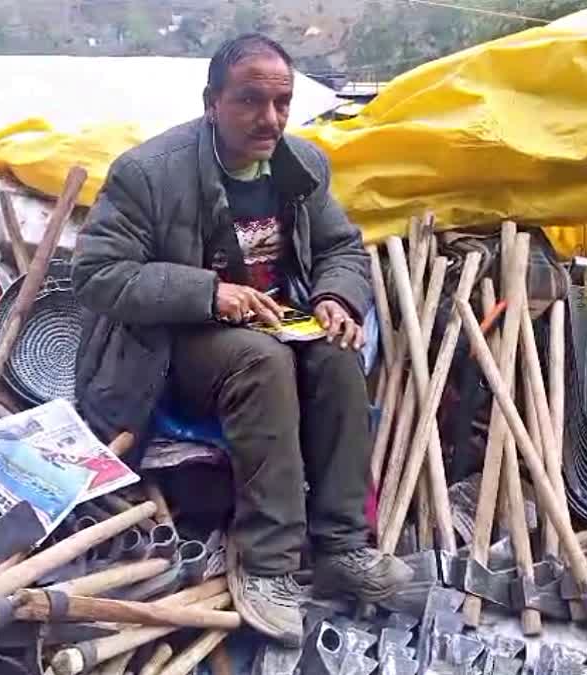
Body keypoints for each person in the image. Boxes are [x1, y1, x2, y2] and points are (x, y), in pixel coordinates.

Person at [72, 34, 409, 645]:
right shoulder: (148, 173)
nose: (270, 118)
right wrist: (208, 293)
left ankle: (339, 546)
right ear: (212, 102)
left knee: (337, 356)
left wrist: (335, 297)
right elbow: (97, 276)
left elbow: (341, 248)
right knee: (263, 361)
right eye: (250, 101)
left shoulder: (299, 167)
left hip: (269, 320)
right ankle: (269, 564)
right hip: (171, 343)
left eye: (282, 102)